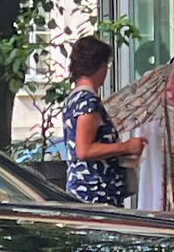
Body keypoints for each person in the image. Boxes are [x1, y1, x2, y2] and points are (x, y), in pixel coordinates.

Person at [60, 36, 143, 207]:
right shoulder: (88, 101)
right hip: (96, 194)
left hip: (89, 190)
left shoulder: (75, 98)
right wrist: (125, 147)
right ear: (101, 67)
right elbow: (83, 150)